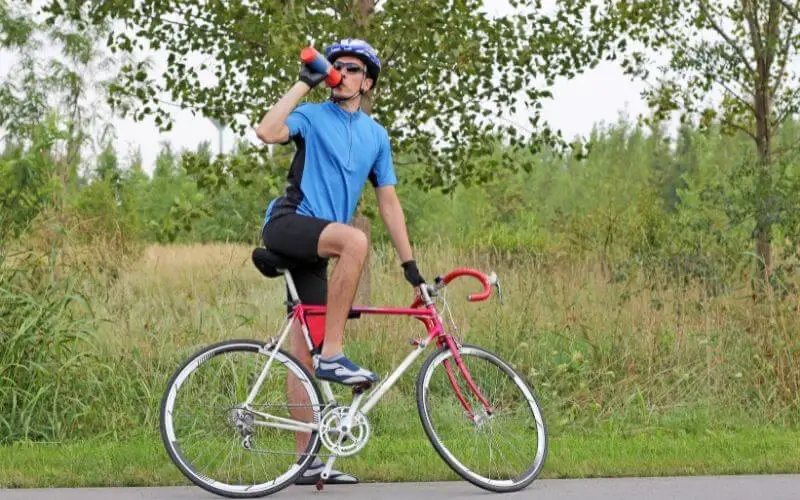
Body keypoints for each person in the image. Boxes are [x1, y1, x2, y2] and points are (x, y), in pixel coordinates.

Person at [255, 38, 425, 485]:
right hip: (290, 224)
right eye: (336, 67)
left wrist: (411, 268)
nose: (340, 74)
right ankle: (335, 352)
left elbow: (389, 204)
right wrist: (301, 83)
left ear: (366, 81)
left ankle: (302, 460)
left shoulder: (376, 136)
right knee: (353, 242)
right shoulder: (312, 115)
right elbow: (267, 131)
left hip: (318, 247)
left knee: (301, 355)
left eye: (350, 69)